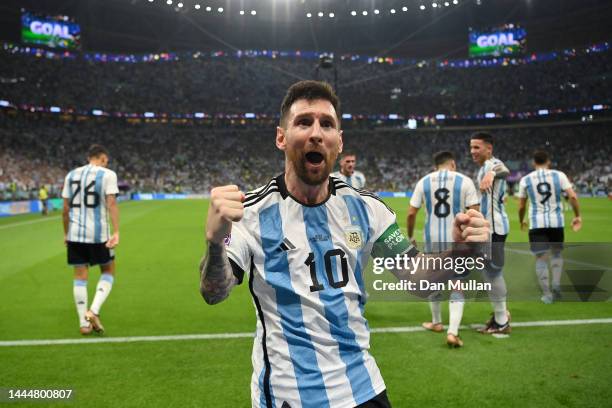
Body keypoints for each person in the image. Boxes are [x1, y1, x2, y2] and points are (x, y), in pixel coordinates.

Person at [199, 80, 489, 408]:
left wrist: (463, 253)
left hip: (363, 388)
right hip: (289, 397)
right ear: (281, 137)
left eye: (327, 124)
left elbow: (420, 279)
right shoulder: (250, 213)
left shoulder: (367, 209)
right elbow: (214, 291)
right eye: (303, 122)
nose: (316, 133)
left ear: (339, 141)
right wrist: (215, 241)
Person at [408, 151, 480, 347]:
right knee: (457, 283)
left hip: (431, 240)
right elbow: (474, 213)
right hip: (456, 241)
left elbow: (411, 212)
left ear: (435, 166)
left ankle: (437, 321)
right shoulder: (465, 181)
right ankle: (453, 332)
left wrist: (411, 235)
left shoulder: (424, 181)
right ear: (453, 164)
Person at [62, 144, 120, 335]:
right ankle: (93, 311)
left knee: (80, 276)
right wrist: (117, 231)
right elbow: (111, 203)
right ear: (102, 158)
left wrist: (66, 233)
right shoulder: (108, 174)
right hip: (98, 235)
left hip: (75, 234)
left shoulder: (71, 175)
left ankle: (83, 324)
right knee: (109, 270)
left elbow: (65, 208)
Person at [517, 150, 581, 303]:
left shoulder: (526, 180)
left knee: (541, 257)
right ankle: (556, 284)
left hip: (537, 224)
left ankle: (547, 294)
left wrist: (521, 220)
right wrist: (577, 215)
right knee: (557, 254)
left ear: (534, 163)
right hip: (556, 223)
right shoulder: (559, 175)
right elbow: (572, 196)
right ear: (549, 161)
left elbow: (521, 205)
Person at [470, 132, 511, 334]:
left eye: (477, 147)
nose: (472, 152)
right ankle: (500, 315)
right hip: (489, 228)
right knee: (490, 273)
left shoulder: (493, 164)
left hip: (495, 229)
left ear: (489, 148)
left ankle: (502, 321)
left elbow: (504, 169)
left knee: (492, 274)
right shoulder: (483, 168)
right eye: (471, 147)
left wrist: (492, 173)